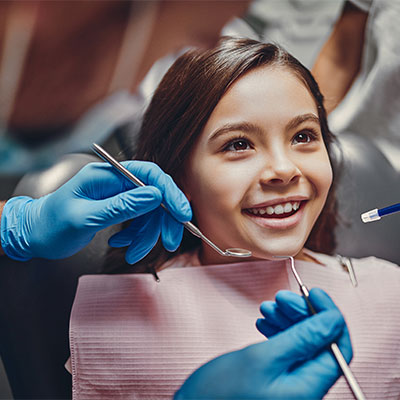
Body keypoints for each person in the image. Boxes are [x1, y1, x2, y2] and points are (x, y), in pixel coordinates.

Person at [67, 37, 400, 399]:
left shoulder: (389, 294)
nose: (283, 170)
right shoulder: (120, 320)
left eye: (303, 135)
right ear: (177, 177)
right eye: (238, 144)